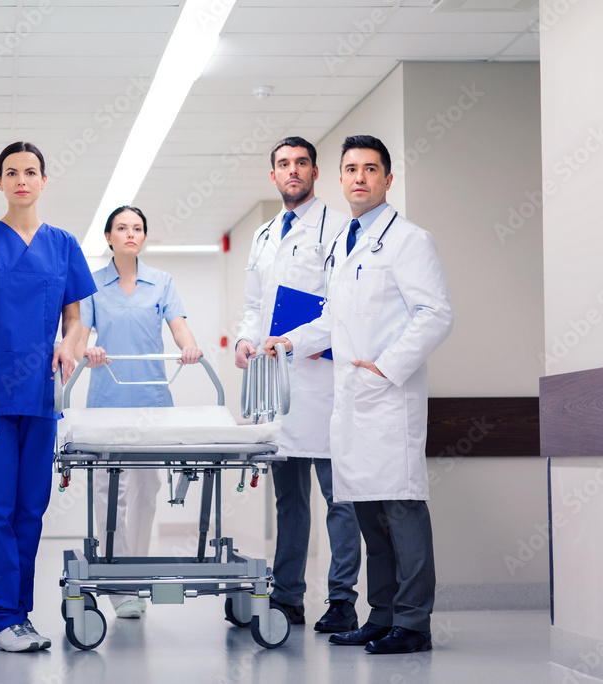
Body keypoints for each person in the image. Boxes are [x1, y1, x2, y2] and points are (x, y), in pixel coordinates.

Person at [264, 134, 454, 654]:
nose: (360, 177)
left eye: (371, 169)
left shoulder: (409, 239)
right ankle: (383, 614)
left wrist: (387, 368)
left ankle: (413, 624)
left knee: (402, 509)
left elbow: (436, 313)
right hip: (353, 401)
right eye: (351, 169)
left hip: (388, 398)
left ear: (388, 180)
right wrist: (288, 341)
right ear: (341, 178)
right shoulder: (348, 242)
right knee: (369, 513)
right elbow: (334, 319)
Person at [0, 141, 97, 653]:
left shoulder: (64, 245)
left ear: (44, 181)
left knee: (31, 509)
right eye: (12, 172)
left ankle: (21, 616)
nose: (22, 179)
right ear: (0, 182)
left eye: (31, 171)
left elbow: (76, 319)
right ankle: (1, 619)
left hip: (41, 397)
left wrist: (69, 345)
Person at [234, 136, 362, 629]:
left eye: (301, 163)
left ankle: (343, 601)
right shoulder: (265, 234)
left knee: (340, 501)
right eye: (283, 164)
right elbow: (254, 305)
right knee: (289, 502)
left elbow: (341, 310)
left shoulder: (336, 228)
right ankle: (288, 597)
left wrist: (291, 340)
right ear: (273, 175)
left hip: (325, 381)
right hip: (277, 389)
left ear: (314, 171)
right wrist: (247, 340)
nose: (292, 171)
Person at [74, 205, 202, 619]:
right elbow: (77, 338)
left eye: (138, 228)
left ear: (143, 237)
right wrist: (86, 350)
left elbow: (179, 326)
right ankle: (117, 585)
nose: (131, 234)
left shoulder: (161, 282)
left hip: (152, 405)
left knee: (146, 494)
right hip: (107, 406)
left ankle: (136, 575)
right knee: (111, 495)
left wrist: (189, 346)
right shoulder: (91, 285)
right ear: (109, 237)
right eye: (122, 228)